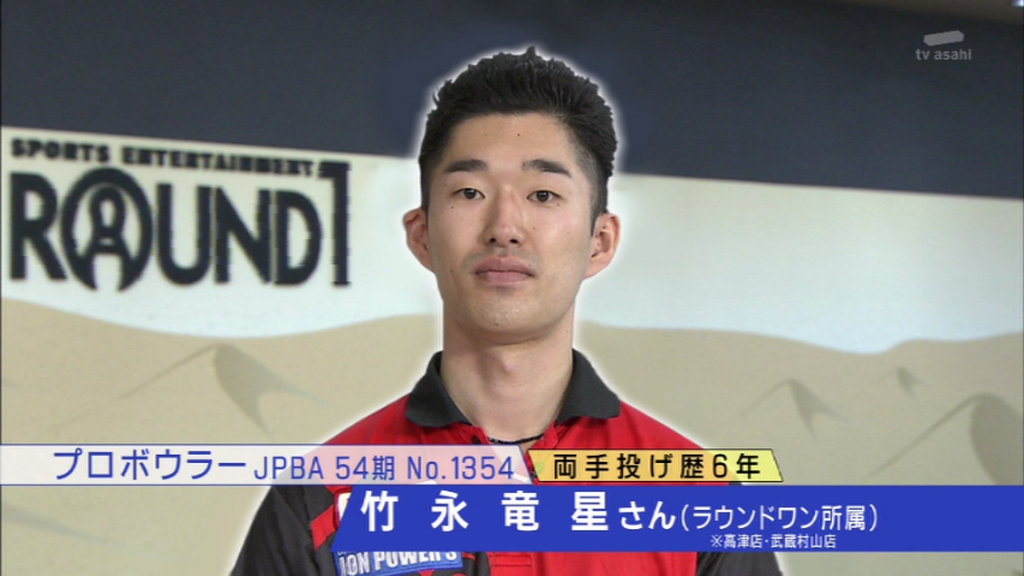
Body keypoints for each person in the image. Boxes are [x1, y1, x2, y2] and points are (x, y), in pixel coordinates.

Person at [232, 47, 782, 576]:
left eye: (543, 195)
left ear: (599, 242)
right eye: (470, 192)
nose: (504, 228)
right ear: (422, 236)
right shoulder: (321, 496)